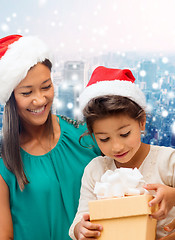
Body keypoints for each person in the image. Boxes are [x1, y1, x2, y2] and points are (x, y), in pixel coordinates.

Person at [0, 35, 101, 240]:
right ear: (10, 98)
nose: (40, 100)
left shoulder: (83, 137)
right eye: (27, 92)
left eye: (46, 87)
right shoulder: (4, 162)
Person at [69, 66, 175, 240]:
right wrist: (81, 229)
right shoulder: (95, 170)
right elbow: (79, 220)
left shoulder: (168, 161)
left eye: (124, 134)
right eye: (104, 139)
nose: (117, 147)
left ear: (142, 122)